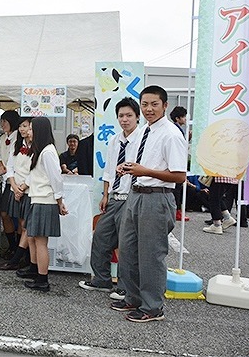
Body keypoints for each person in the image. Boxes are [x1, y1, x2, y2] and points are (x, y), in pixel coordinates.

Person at [112, 85, 186, 323]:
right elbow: (146, 162)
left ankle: (153, 307)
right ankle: (133, 297)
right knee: (128, 248)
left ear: (165, 105)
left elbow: (179, 175)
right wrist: (129, 168)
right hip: (136, 193)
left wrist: (144, 171)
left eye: (154, 104)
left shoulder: (172, 134)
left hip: (157, 196)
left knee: (151, 254)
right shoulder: (146, 130)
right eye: (145, 104)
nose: (149, 109)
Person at [79, 97, 141, 299]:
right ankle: (102, 280)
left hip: (132, 197)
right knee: (100, 237)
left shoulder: (143, 139)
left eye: (129, 115)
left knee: (126, 244)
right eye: (121, 116)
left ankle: (125, 287)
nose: (124, 120)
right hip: (114, 197)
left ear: (137, 117)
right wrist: (105, 195)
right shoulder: (115, 139)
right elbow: (108, 171)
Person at [20, 116, 68, 292]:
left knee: (40, 242)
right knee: (35, 239)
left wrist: (60, 201)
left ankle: (42, 280)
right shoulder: (40, 150)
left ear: (39, 131)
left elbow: (56, 178)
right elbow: (35, 176)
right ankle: (37, 273)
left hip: (45, 200)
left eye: (31, 129)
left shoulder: (48, 152)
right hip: (38, 199)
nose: (28, 132)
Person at [0, 117, 33, 271]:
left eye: (26, 126)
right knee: (20, 222)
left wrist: (22, 187)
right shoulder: (17, 145)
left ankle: (20, 258)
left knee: (25, 224)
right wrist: (14, 185)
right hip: (15, 187)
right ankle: (18, 255)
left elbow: (35, 171)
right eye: (21, 126)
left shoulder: (39, 147)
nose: (23, 129)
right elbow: (10, 166)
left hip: (29, 190)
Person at [0, 110, 21, 260]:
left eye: (5, 121)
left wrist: (5, 169)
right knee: (4, 213)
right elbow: (1, 157)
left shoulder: (19, 137)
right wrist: (2, 166)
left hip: (18, 182)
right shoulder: (3, 138)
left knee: (20, 217)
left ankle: (21, 251)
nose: (2, 124)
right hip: (8, 181)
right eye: (1, 121)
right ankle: (12, 245)